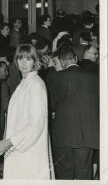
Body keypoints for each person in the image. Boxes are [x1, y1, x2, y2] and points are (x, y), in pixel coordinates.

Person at [0, 44, 54, 179]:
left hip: (28, 151)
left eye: (28, 59)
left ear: (35, 62)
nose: (24, 63)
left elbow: (36, 125)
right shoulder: (24, 83)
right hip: (18, 148)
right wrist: (7, 141)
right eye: (20, 59)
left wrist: (9, 142)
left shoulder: (36, 85)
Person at [49, 48, 99, 180]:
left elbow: (51, 105)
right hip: (87, 135)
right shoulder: (94, 77)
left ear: (62, 62)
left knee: (65, 173)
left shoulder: (57, 77)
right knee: (84, 173)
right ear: (76, 59)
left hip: (63, 135)